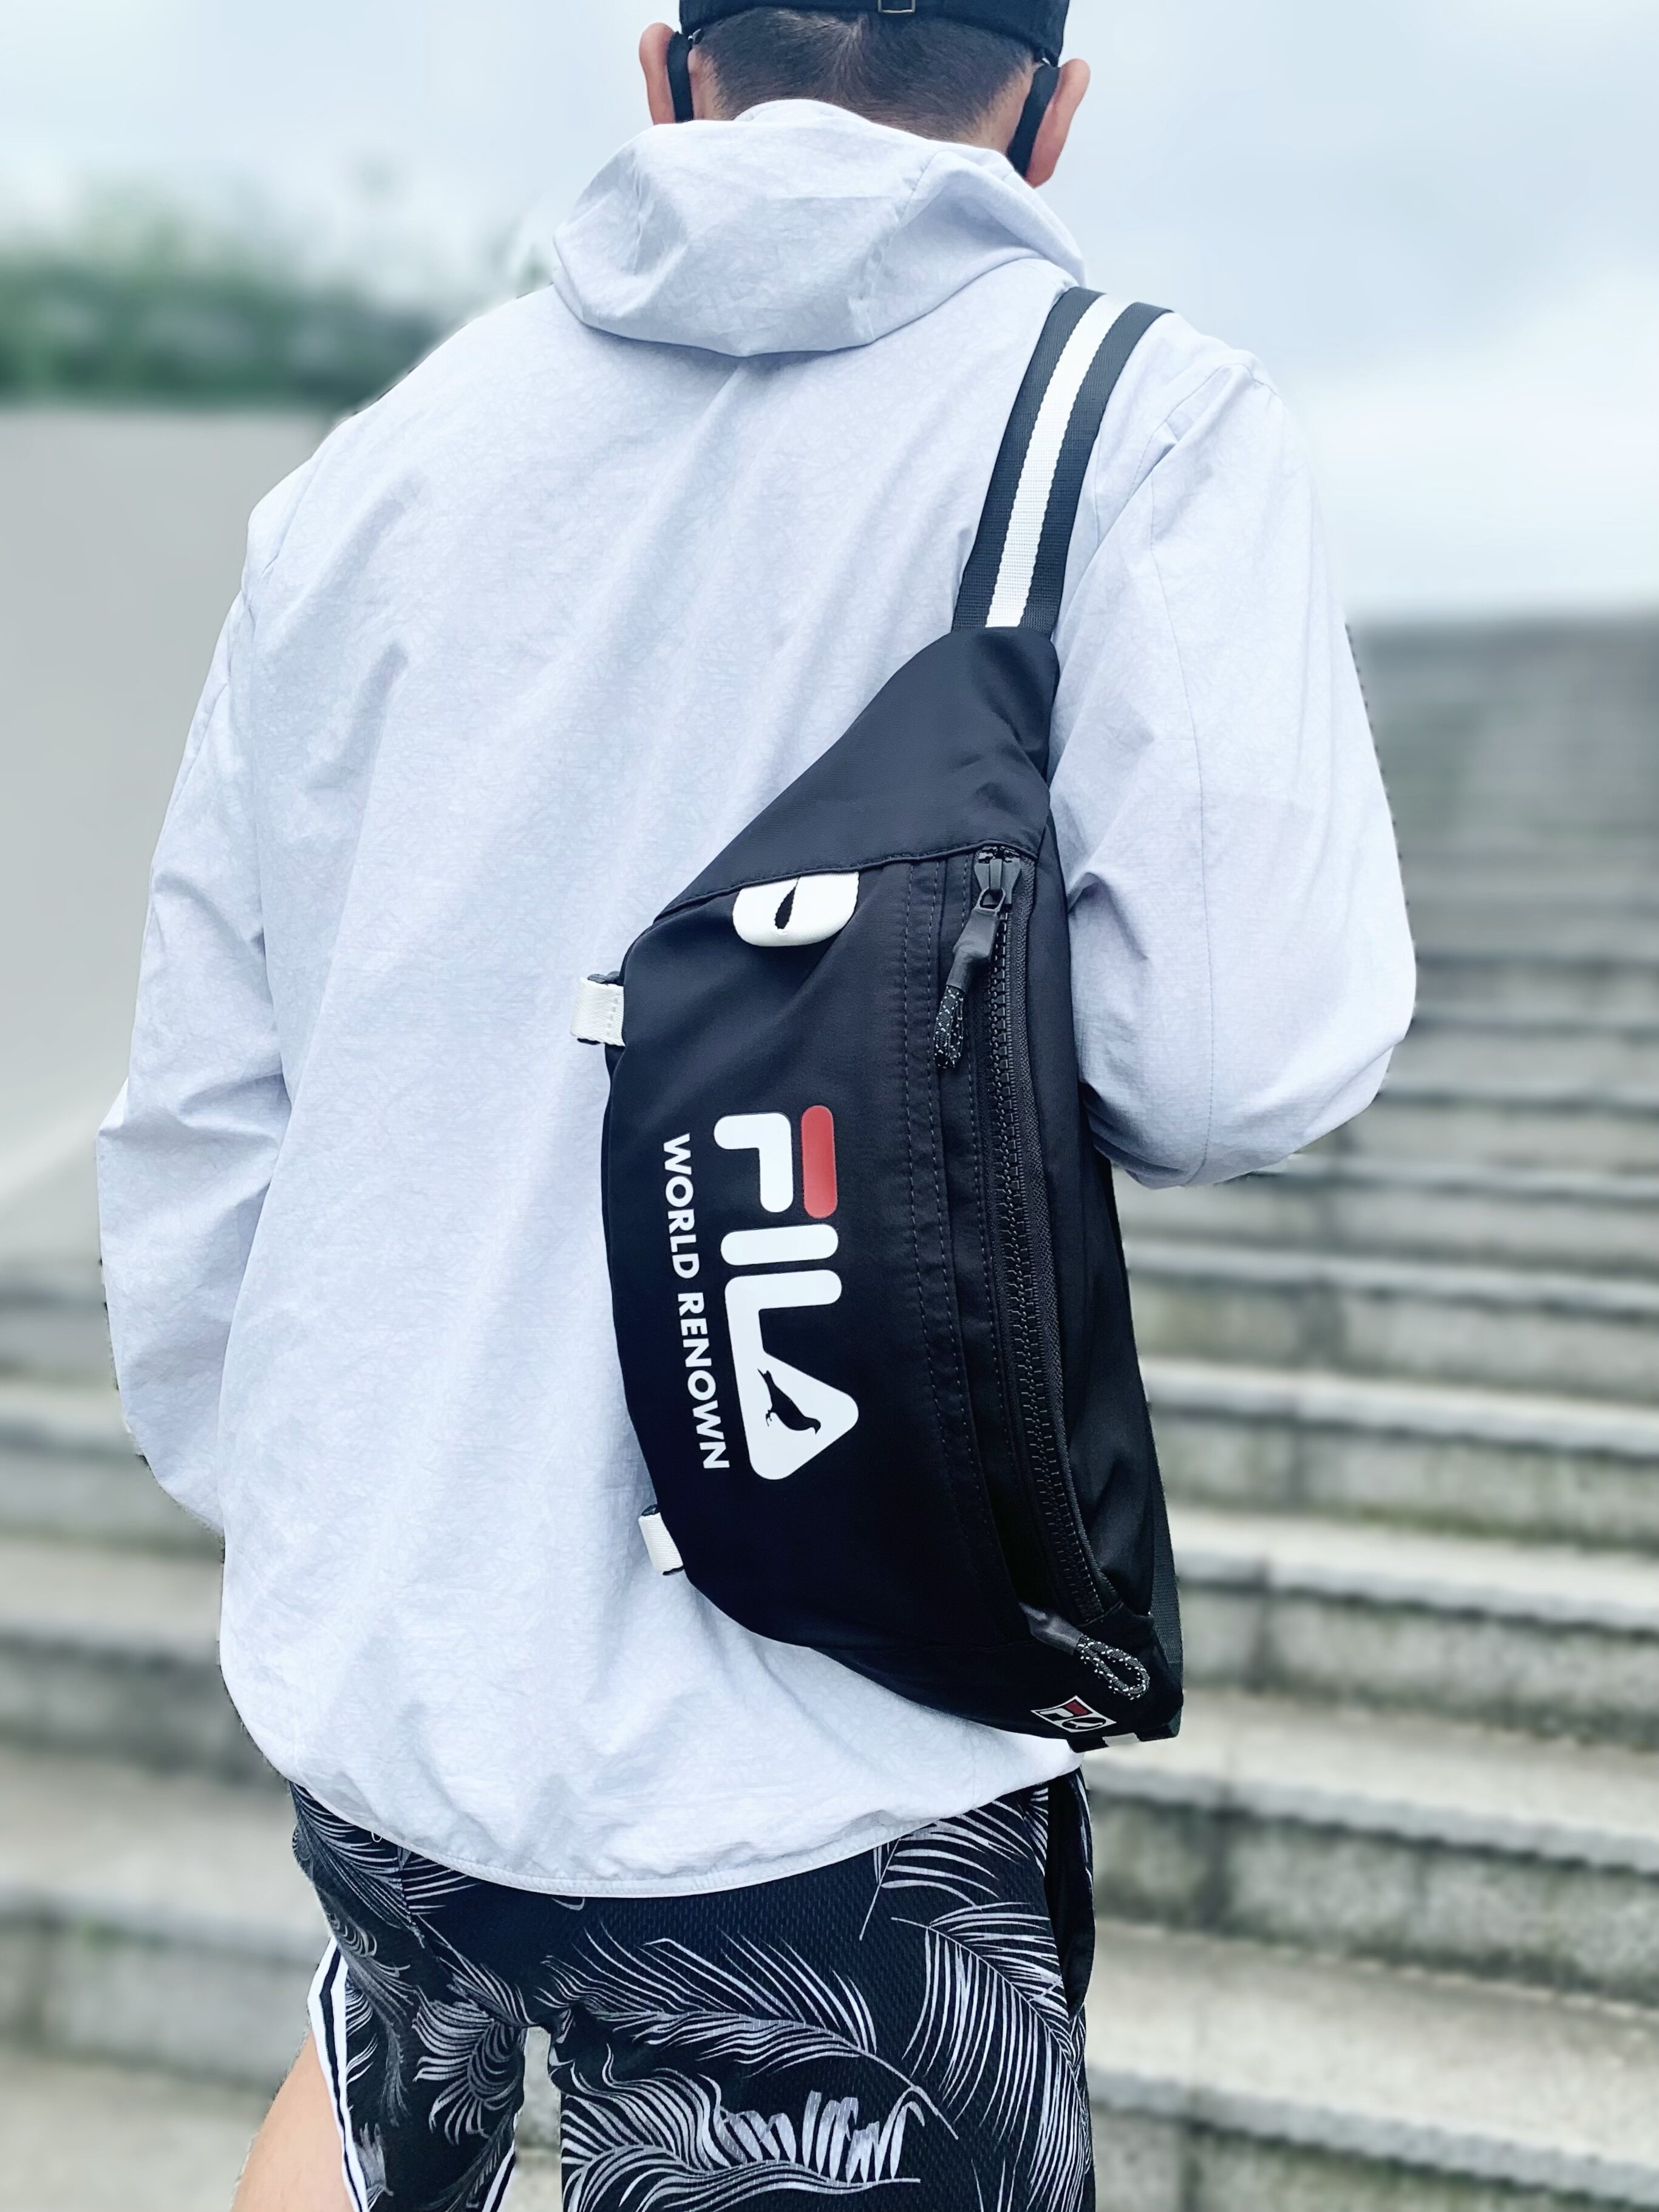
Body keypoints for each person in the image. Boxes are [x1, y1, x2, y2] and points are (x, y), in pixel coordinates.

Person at [98, 5, 1415, 2207]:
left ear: (664, 71)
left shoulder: (378, 472)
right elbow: (1232, 1059)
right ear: (1048, 115)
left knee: (376, 2091)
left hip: (402, 1657)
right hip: (833, 1694)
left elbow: (206, 1110)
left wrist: (371, 1535)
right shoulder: (1130, 420)